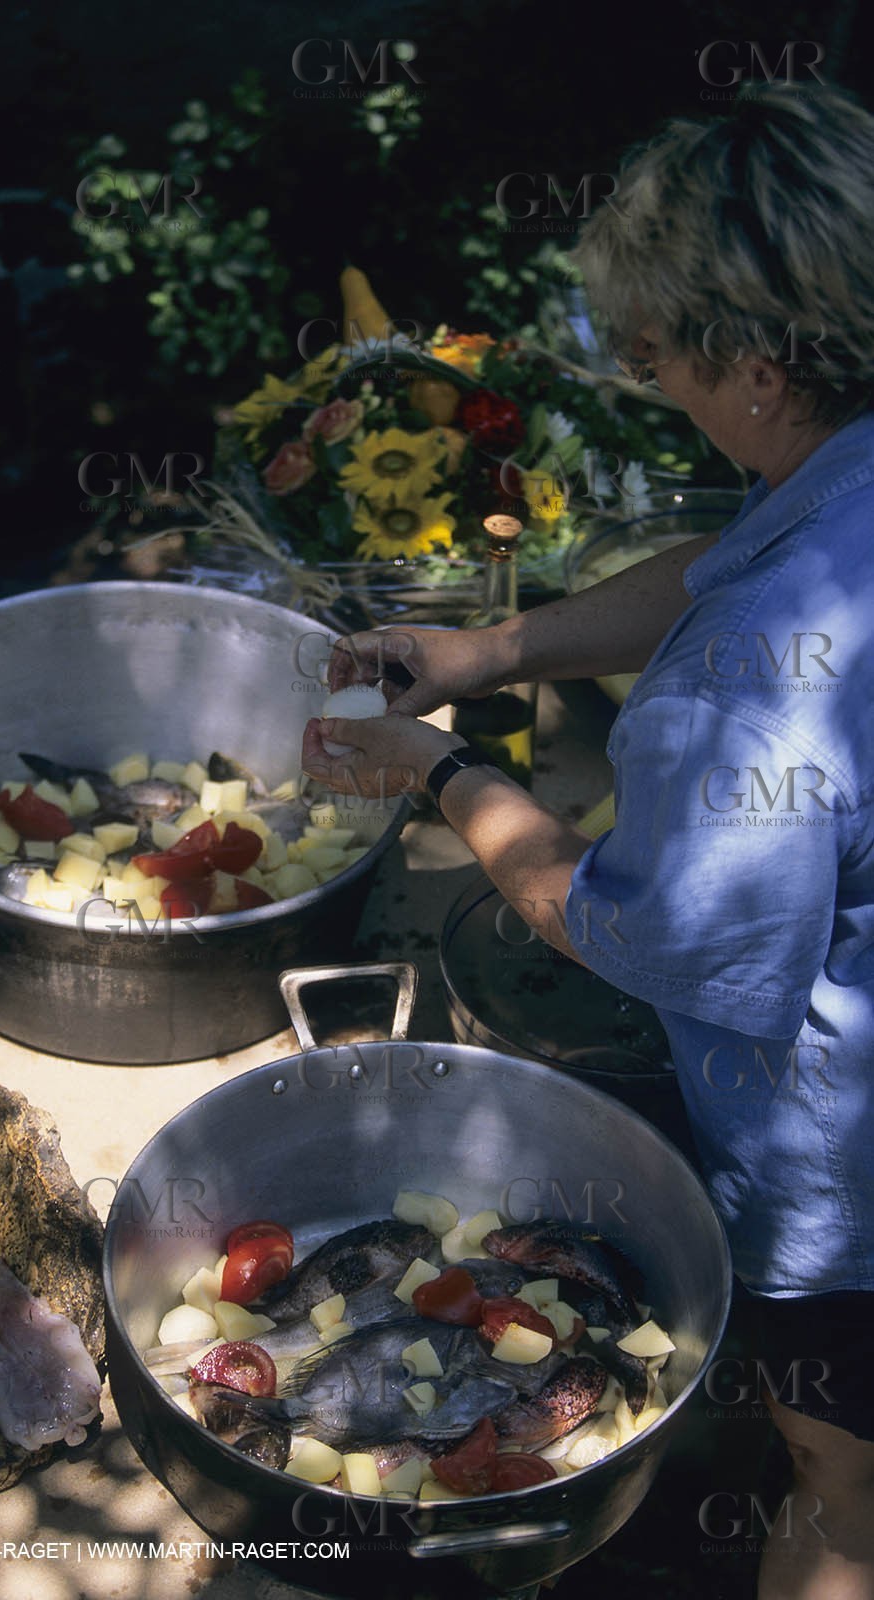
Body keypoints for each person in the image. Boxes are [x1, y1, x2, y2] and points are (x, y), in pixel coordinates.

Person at [302, 84, 874, 1600]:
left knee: (848, 1485)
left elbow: (625, 925)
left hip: (853, 1183)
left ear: (756, 365)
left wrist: (435, 777)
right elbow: (739, 553)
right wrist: (492, 658)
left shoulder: (752, 692)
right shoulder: (840, 486)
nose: (650, 382)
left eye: (659, 355)